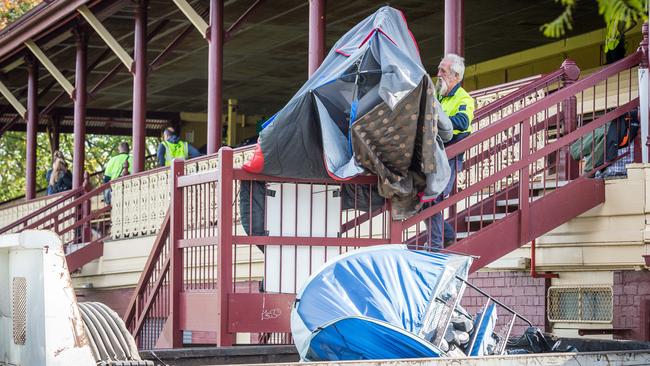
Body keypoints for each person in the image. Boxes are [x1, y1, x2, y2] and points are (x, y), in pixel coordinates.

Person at [424, 54, 475, 249]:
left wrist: (437, 124)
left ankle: (435, 245)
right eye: (439, 70)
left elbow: (463, 122)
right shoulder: (437, 95)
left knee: (433, 197)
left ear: (455, 75)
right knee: (423, 197)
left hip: (451, 153)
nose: (438, 74)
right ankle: (446, 234)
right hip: (434, 152)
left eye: (443, 71)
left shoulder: (465, 99)